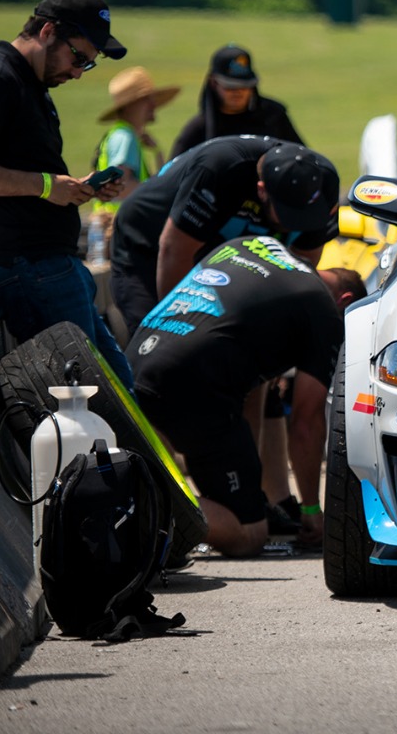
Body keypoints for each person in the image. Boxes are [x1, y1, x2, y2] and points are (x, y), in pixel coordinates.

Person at [127, 236, 364, 556]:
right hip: (193, 387)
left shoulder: (257, 244)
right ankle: (132, 505)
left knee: (233, 494)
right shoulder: (325, 311)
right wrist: (311, 510)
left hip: (138, 358)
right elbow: (306, 425)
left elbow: (254, 391)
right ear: (346, 301)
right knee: (249, 533)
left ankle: (135, 500)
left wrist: (252, 485)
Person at [0, 0, 134, 388]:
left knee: (115, 394)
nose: (77, 72)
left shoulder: (31, 87)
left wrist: (78, 188)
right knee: (100, 400)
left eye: (88, 65)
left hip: (50, 266)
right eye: (78, 58)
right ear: (48, 30)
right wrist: (50, 186)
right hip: (28, 267)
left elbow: (28, 178)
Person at [109, 137, 340, 337]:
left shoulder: (324, 184)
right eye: (287, 217)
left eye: (302, 218)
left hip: (213, 245)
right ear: (262, 191)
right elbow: (174, 251)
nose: (294, 227)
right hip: (148, 241)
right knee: (158, 341)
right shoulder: (223, 168)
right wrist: (178, 331)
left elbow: (300, 268)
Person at [90, 66, 180, 255]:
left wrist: (157, 154)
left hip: (115, 230)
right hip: (118, 231)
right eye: (146, 99)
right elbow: (121, 185)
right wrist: (157, 193)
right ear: (131, 105)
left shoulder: (125, 135)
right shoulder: (125, 137)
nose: (153, 104)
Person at [169, 44, 303, 160]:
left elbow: (302, 157)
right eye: (230, 86)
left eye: (245, 86)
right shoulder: (199, 128)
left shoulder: (273, 116)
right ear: (213, 83)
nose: (238, 92)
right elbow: (172, 175)